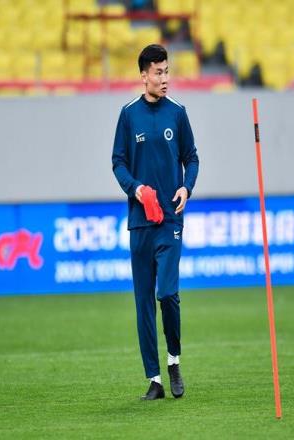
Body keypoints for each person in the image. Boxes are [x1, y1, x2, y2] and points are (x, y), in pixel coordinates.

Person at [111, 44, 199, 400]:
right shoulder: (128, 115)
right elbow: (118, 162)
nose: (165, 78)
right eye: (159, 72)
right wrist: (136, 189)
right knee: (143, 302)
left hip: (170, 220)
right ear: (143, 75)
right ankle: (155, 379)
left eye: (167, 71)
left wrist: (186, 187)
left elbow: (192, 158)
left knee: (167, 294)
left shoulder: (178, 113)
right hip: (139, 222)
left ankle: (174, 360)